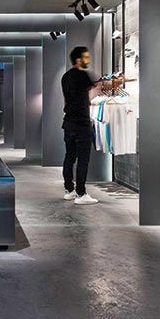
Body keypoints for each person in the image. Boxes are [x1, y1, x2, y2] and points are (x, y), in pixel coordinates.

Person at [61, 46, 99, 205]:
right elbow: (96, 86)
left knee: (69, 157)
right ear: (78, 59)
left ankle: (69, 189)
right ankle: (81, 193)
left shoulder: (65, 77)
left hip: (68, 122)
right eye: (86, 57)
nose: (88, 60)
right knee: (83, 159)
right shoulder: (82, 75)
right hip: (82, 124)